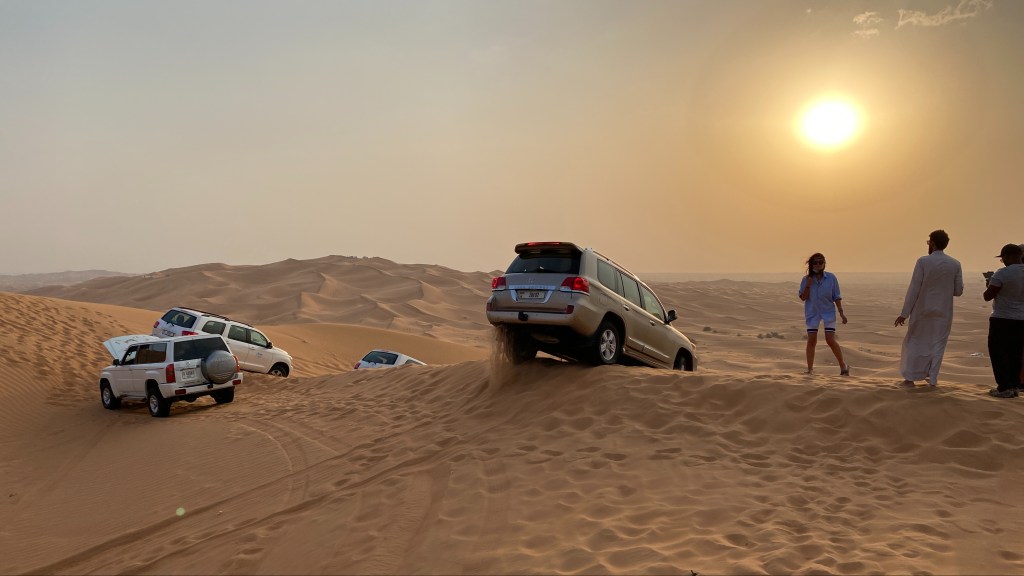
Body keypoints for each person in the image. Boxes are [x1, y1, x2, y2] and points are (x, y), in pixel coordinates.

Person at [894, 230, 964, 388]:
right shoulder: (955, 264)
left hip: (922, 310)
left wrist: (904, 314)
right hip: (944, 312)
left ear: (932, 243)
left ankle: (910, 377)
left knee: (914, 342)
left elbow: (914, 289)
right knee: (938, 344)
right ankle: (932, 379)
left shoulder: (923, 262)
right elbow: (958, 291)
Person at [983, 243, 1024, 398]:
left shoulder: (1003, 273)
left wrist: (989, 283)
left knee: (999, 352)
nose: (1003, 262)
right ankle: (1014, 386)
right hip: (1021, 318)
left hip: (1002, 318)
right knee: (1016, 352)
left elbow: (987, 296)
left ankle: (1004, 387)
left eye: (1002, 259)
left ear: (1007, 256)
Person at [798, 253, 849, 375]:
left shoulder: (831, 278)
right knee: (811, 340)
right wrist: (808, 285)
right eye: (815, 262)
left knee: (830, 339)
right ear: (811, 264)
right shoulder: (806, 279)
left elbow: (836, 296)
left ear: (824, 263)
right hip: (812, 312)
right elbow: (803, 297)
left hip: (828, 311)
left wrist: (841, 313)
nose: (818, 264)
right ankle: (810, 369)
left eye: (821, 262)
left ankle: (843, 366)